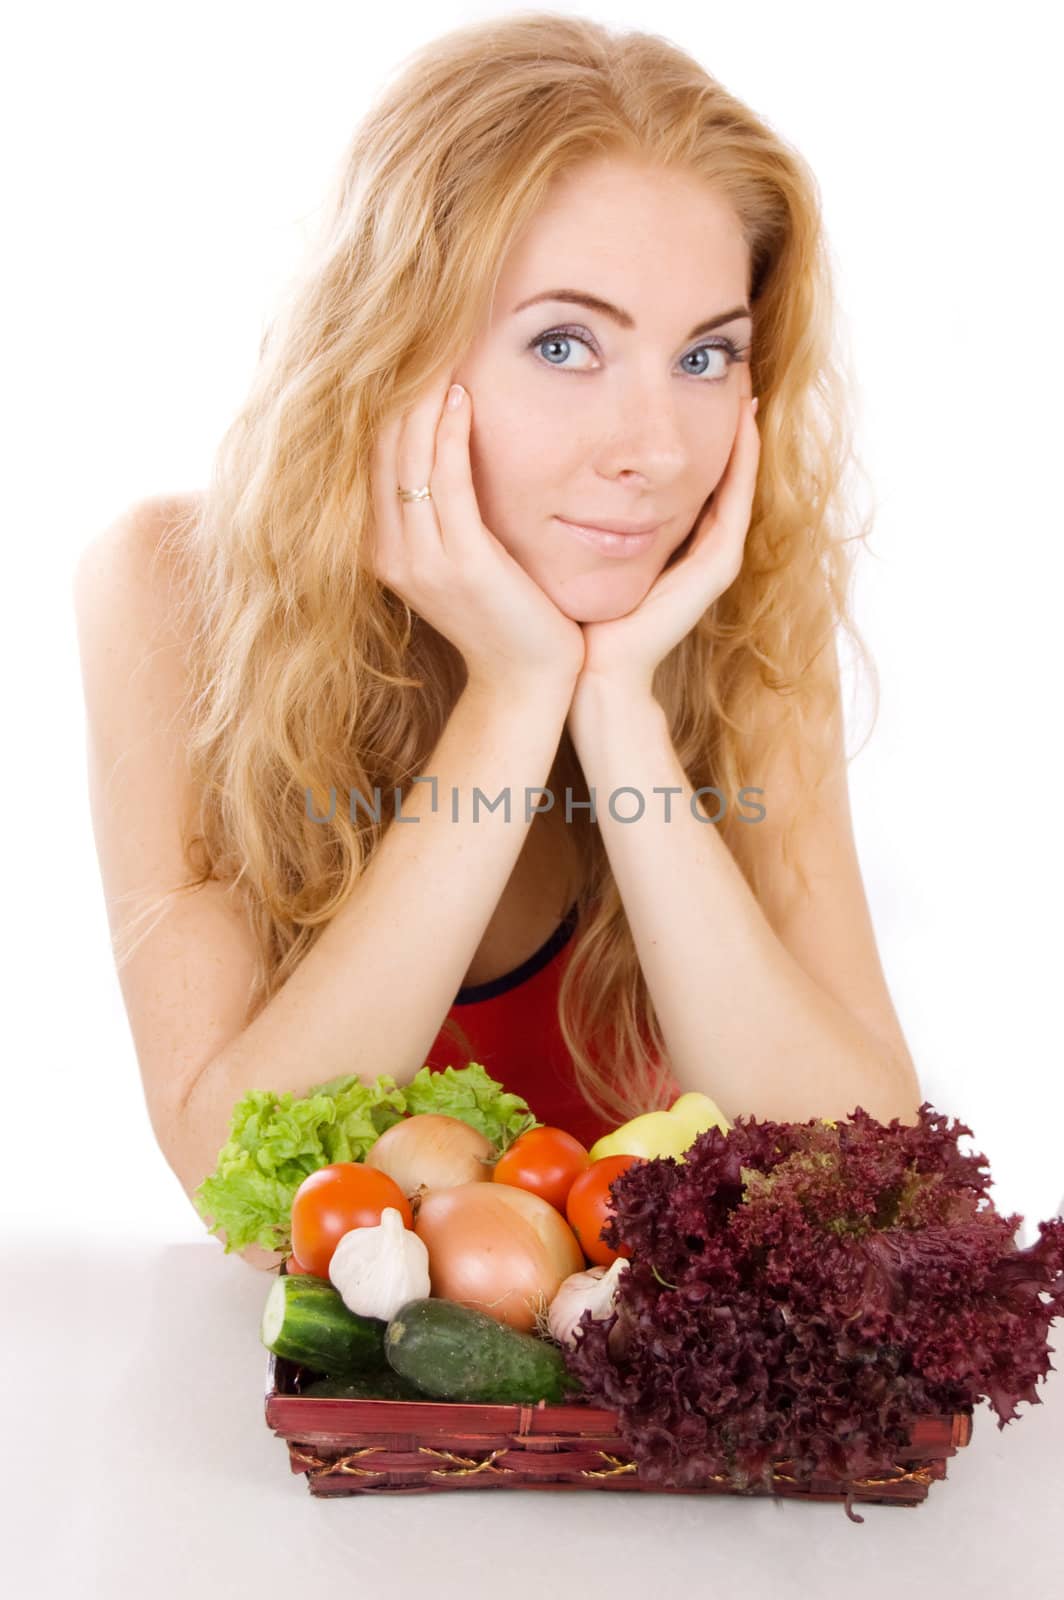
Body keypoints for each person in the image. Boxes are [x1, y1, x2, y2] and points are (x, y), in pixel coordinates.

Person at [73, 12, 922, 1269]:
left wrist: (621, 705)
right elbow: (250, 1195)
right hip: (369, 1448)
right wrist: (514, 691)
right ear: (394, 346)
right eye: (564, 344)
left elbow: (860, 1188)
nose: (654, 450)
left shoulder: (733, 611)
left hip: (635, 1440)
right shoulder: (172, 588)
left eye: (703, 355)